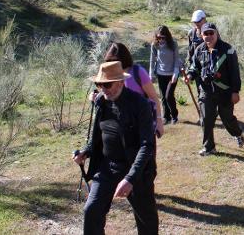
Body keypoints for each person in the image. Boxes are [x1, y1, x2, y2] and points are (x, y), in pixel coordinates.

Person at [73, 61, 158, 235]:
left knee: (147, 221)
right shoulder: (102, 103)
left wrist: (130, 179)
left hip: (136, 170)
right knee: (92, 212)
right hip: (107, 168)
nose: (103, 89)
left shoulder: (140, 104)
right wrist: (86, 151)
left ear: (120, 82)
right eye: (99, 84)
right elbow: (99, 138)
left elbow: (147, 145)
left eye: (107, 84)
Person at [185, 23, 244, 156]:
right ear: (202, 35)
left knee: (227, 118)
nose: (209, 36)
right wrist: (189, 76)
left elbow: (235, 73)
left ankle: (238, 133)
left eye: (211, 33)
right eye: (206, 34)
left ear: (217, 34)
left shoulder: (228, 49)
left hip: (225, 92)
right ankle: (209, 147)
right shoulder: (199, 50)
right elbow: (194, 67)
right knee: (206, 119)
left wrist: (235, 91)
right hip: (206, 91)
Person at [105, 42, 164, 139]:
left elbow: (153, 97)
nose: (112, 64)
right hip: (119, 125)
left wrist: (159, 121)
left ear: (123, 58)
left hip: (141, 123)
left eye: (115, 61)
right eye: (109, 61)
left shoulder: (138, 72)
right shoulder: (109, 76)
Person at [149, 26, 180, 124]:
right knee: (163, 97)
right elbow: (152, 60)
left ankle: (174, 115)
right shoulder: (154, 45)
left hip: (172, 74)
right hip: (160, 74)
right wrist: (151, 75)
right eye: (158, 38)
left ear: (167, 36)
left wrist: (176, 73)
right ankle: (166, 117)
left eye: (163, 38)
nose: (161, 40)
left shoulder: (173, 44)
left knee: (169, 96)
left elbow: (177, 60)